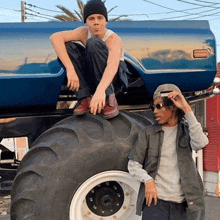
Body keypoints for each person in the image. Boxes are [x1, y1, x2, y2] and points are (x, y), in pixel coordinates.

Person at [128, 84, 209, 220]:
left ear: (173, 107)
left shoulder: (187, 131)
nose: (154, 111)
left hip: (185, 206)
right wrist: (148, 181)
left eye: (159, 106)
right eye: (153, 107)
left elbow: (201, 143)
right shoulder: (147, 133)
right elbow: (133, 164)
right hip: (155, 204)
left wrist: (187, 108)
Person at [50, 0, 129, 119]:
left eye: (100, 18)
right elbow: (55, 37)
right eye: (91, 18)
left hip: (113, 80)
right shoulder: (83, 32)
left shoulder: (112, 39)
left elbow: (112, 66)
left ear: (105, 21)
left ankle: (110, 99)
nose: (96, 22)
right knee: (68, 47)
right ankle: (85, 98)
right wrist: (70, 69)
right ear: (86, 22)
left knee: (92, 44)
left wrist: (101, 91)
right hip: (93, 76)